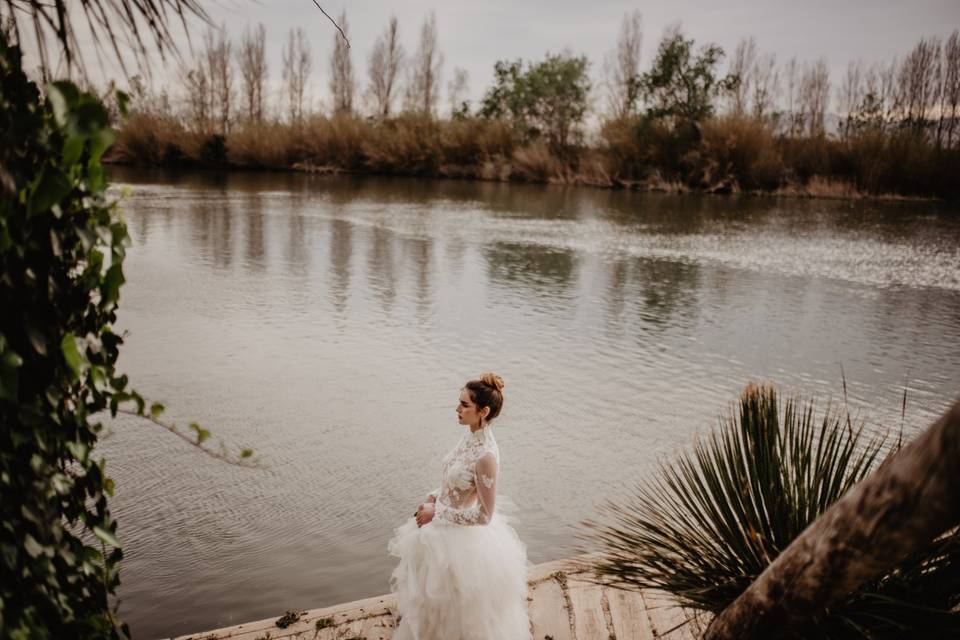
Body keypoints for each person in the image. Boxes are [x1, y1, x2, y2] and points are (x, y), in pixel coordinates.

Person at [387, 372, 531, 640]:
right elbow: (455, 479)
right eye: (459, 402)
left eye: (465, 405)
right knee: (428, 607)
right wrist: (433, 497)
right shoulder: (469, 436)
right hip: (438, 523)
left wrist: (437, 512)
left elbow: (484, 515)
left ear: (483, 411)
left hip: (460, 543)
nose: (457, 408)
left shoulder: (486, 456)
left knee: (458, 614)